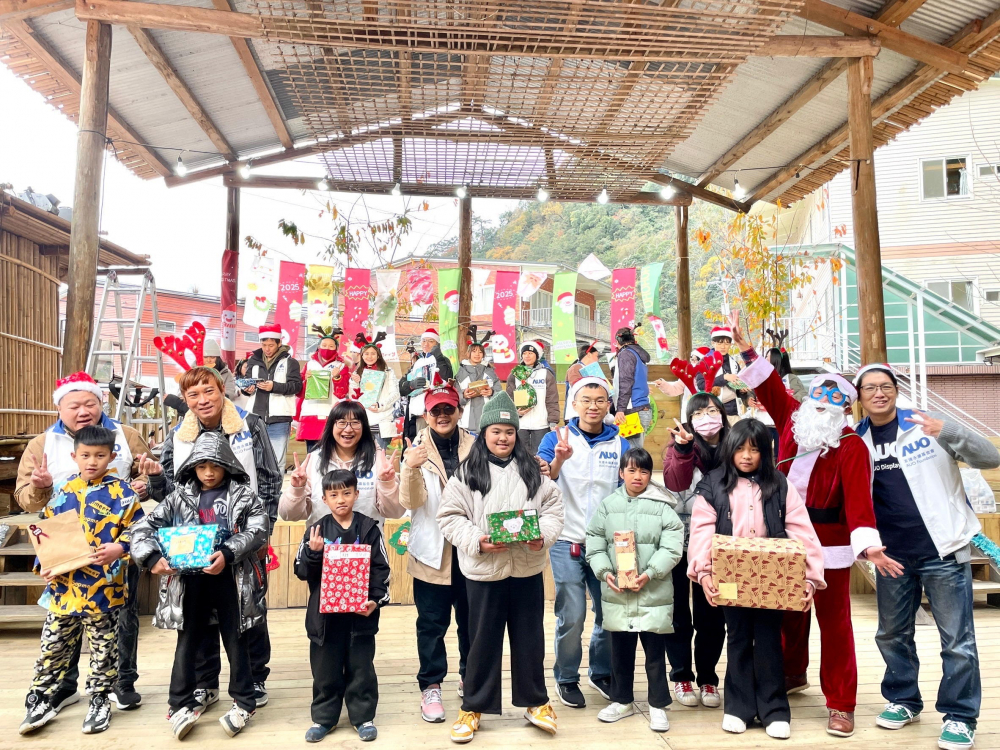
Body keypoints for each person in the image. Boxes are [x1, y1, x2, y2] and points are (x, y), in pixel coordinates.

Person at [732, 321, 903, 737]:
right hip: (783, 535)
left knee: (835, 623)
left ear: (847, 407)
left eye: (835, 396)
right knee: (788, 613)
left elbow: (860, 502)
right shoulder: (793, 419)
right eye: (820, 393)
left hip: (830, 543)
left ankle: (841, 702)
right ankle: (792, 674)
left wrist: (868, 545)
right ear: (809, 398)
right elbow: (770, 387)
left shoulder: (851, 446)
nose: (824, 401)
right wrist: (749, 352)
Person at [853, 364, 1000, 750]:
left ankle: (960, 715)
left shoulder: (927, 424)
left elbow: (990, 458)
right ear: (860, 396)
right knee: (892, 633)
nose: (879, 393)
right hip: (891, 556)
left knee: (957, 640)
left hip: (944, 550)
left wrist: (949, 431)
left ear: (896, 390)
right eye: (870, 388)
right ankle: (903, 699)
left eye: (886, 386)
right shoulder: (856, 440)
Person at [15, 371, 153, 713]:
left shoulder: (126, 434)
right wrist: (41, 487)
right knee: (64, 625)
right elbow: (28, 502)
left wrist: (147, 483)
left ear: (100, 401)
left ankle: (119, 684)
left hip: (114, 554)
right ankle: (64, 687)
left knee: (122, 619)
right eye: (73, 405)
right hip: (66, 555)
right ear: (59, 408)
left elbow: (148, 478)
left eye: (89, 403)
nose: (82, 410)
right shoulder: (41, 444)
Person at [149, 365, 282, 709]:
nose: (202, 399)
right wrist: (152, 480)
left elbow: (269, 477)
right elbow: (169, 488)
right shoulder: (179, 434)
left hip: (244, 538)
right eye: (193, 394)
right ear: (186, 400)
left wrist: (261, 529)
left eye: (208, 390)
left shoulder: (250, 425)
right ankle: (205, 682)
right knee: (199, 614)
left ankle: (254, 677)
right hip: (194, 542)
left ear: (222, 389)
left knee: (248, 608)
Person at [437, 392, 564, 743]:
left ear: (517, 433)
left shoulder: (532, 470)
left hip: (526, 569)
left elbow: (553, 510)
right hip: (483, 571)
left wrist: (543, 536)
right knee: (481, 642)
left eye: (509, 431)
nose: (503, 438)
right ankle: (473, 707)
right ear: (484, 433)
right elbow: (449, 517)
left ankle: (536, 702)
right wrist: (477, 539)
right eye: (496, 431)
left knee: (530, 639)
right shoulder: (468, 473)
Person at [688, 419, 826, 739]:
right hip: (729, 577)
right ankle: (738, 708)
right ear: (729, 450)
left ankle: (774, 709)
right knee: (737, 638)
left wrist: (809, 578)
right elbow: (701, 532)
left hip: (772, 579)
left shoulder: (779, 483)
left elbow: (802, 530)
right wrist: (704, 572)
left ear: (766, 452)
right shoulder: (713, 483)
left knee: (768, 640)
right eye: (740, 448)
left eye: (754, 449)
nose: (747, 456)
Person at [132, 431, 267, 739]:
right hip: (189, 581)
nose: (208, 472)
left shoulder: (244, 496)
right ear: (192, 466)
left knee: (236, 639)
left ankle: (244, 701)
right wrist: (151, 556)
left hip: (232, 580)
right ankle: (178, 702)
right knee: (188, 640)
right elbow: (142, 527)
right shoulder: (178, 497)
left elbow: (259, 528)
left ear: (228, 465)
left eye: (215, 466)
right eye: (202, 465)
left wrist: (230, 551)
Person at [536, 376, 627, 707]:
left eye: (600, 400)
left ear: (608, 405)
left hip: (606, 544)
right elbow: (542, 477)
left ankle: (600, 671)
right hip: (566, 540)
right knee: (572, 613)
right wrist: (558, 459)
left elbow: (629, 487)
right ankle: (567, 676)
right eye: (586, 400)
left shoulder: (620, 443)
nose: (593, 406)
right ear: (573, 404)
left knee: (607, 614)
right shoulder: (555, 437)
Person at [585, 447, 684, 732]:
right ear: (621, 473)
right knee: (620, 650)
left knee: (654, 652)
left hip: (654, 592)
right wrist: (605, 572)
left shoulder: (662, 504)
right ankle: (621, 700)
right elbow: (594, 540)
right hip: (618, 593)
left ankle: (657, 705)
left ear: (649, 474)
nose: (637, 476)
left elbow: (673, 543)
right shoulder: (608, 505)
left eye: (643, 471)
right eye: (631, 470)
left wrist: (652, 572)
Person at [294, 469, 391, 743]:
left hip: (360, 616)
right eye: (333, 494)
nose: (341, 500)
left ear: (356, 494)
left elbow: (380, 570)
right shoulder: (316, 530)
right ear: (324, 498)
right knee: (325, 669)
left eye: (346, 493)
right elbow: (301, 572)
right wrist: (313, 554)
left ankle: (363, 717)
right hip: (324, 619)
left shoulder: (369, 528)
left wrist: (375, 600)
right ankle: (324, 719)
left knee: (361, 667)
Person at [399, 379, 476, 722]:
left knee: (471, 622)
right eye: (436, 410)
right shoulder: (415, 449)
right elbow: (411, 502)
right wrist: (410, 466)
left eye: (449, 408)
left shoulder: (476, 446)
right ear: (427, 415)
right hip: (432, 552)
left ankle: (470, 676)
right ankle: (431, 685)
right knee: (431, 623)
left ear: (458, 411)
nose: (443, 415)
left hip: (472, 549)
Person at [661, 391, 729, 708]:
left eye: (713, 410)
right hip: (677, 541)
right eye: (699, 413)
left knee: (712, 615)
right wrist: (685, 448)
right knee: (677, 614)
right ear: (690, 418)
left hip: (718, 544)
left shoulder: (735, 446)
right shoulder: (678, 446)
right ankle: (681, 676)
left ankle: (708, 679)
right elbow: (675, 482)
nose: (707, 417)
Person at [280, 400, 403, 527]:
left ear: (364, 427)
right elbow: (288, 515)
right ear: (331, 426)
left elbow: (395, 512)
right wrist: (296, 489)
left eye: (355, 423)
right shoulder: (315, 459)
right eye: (341, 422)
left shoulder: (377, 461)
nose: (348, 429)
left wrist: (388, 483)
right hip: (321, 544)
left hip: (367, 543)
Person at [241, 322, 303, 469]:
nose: (267, 349)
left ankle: (274, 492)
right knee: (254, 459)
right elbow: (247, 383)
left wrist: (274, 386)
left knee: (276, 461)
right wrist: (246, 389)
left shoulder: (290, 362)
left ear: (279, 343)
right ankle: (256, 492)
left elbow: (296, 386)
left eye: (271, 345)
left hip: (279, 418)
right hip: (255, 417)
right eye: (264, 345)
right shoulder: (253, 361)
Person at [298, 327, 350, 453]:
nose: (327, 348)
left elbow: (342, 393)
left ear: (337, 348)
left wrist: (337, 377)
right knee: (311, 452)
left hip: (330, 412)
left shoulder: (341, 365)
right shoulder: (309, 364)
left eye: (331, 346)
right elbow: (300, 392)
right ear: (318, 346)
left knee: (330, 451)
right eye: (324, 345)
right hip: (310, 412)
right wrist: (304, 380)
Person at [399, 328, 454, 442]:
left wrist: (439, 358)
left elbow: (446, 378)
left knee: (435, 444)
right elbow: (401, 387)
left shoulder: (442, 360)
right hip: (417, 412)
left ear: (437, 344)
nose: (426, 344)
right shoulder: (417, 362)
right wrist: (410, 385)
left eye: (430, 341)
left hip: (435, 411)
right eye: (424, 340)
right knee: (419, 445)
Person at [506, 340, 559, 454]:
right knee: (520, 455)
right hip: (521, 424)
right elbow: (509, 399)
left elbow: (552, 399)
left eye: (530, 353)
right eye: (524, 353)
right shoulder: (515, 374)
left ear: (537, 355)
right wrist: (516, 413)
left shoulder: (545, 373)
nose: (527, 356)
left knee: (540, 455)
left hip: (541, 423)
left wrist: (553, 421)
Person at [350, 334, 400, 449]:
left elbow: (395, 393)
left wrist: (381, 405)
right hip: (364, 421)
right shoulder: (357, 373)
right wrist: (356, 382)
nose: (369, 356)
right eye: (366, 354)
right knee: (364, 458)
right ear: (361, 356)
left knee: (380, 457)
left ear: (378, 355)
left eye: (373, 353)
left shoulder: (388, 372)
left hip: (382, 420)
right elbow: (353, 397)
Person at [611, 328, 652, 447]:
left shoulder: (626, 354)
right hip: (641, 407)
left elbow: (626, 382)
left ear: (618, 341)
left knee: (631, 455)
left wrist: (620, 409)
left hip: (632, 409)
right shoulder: (638, 354)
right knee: (635, 452)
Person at [701, 326, 742, 417]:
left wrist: (743, 391)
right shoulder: (705, 362)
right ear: (713, 343)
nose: (723, 347)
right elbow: (701, 384)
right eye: (719, 343)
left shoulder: (734, 363)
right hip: (711, 411)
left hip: (732, 412)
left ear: (730, 345)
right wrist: (724, 377)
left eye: (727, 343)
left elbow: (738, 386)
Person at [457, 342, 497, 433]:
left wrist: (492, 393)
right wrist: (464, 395)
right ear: (468, 353)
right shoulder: (460, 372)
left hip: (487, 420)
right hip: (466, 420)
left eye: (480, 352)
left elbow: (499, 393)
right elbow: (455, 394)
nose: (477, 354)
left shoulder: (490, 371)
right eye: (474, 351)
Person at [564, 342, 600, 421]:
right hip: (575, 414)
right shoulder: (576, 368)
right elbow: (577, 386)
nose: (597, 359)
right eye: (596, 356)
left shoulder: (587, 369)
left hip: (585, 411)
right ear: (589, 354)